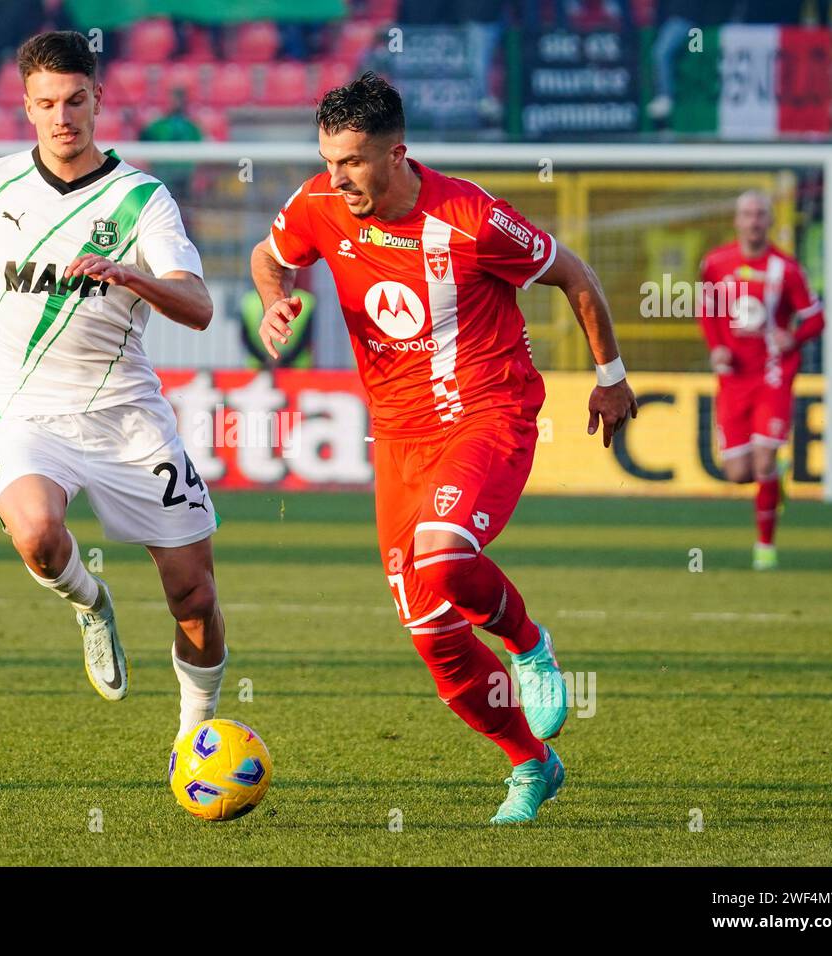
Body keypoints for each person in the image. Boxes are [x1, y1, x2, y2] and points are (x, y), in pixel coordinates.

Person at [250, 73, 637, 824]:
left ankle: (528, 644)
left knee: (445, 554)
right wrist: (275, 298)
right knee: (432, 636)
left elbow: (574, 274)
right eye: (329, 160)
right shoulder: (319, 204)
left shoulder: (472, 219)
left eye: (354, 162)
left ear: (397, 154)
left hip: (488, 413)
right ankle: (532, 765)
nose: (338, 178)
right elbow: (273, 257)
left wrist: (610, 377)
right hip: (398, 437)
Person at [0, 31, 227, 743]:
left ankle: (195, 737)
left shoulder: (142, 198)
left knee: (193, 596)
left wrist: (135, 277)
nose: (62, 117)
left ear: (97, 99)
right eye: (47, 103)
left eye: (75, 100)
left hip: (129, 418)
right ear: (26, 106)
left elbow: (199, 307)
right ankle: (90, 604)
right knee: (39, 536)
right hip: (31, 417)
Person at [697, 190, 823, 570]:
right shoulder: (716, 263)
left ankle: (765, 548)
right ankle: (774, 478)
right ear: (737, 220)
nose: (753, 221)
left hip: (772, 375)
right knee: (738, 473)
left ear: (770, 221)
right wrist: (717, 347)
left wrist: (793, 337)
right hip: (733, 380)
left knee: (764, 461)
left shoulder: (786, 269)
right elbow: (708, 310)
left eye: (760, 215)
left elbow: (817, 318)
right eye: (747, 214)